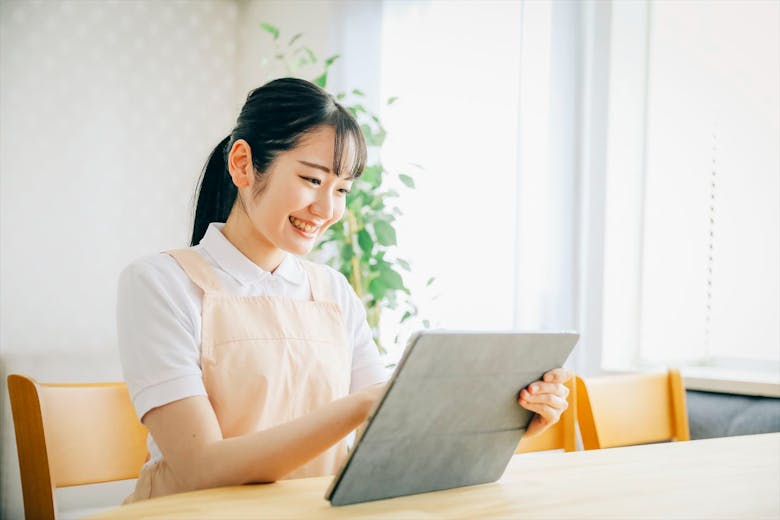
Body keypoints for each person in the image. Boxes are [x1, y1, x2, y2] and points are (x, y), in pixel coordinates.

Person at [117, 77, 571, 502]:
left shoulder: (331, 290)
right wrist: (360, 406)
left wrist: (505, 420)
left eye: (343, 190)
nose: (327, 208)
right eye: (312, 180)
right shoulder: (161, 282)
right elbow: (201, 468)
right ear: (243, 164)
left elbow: (395, 443)